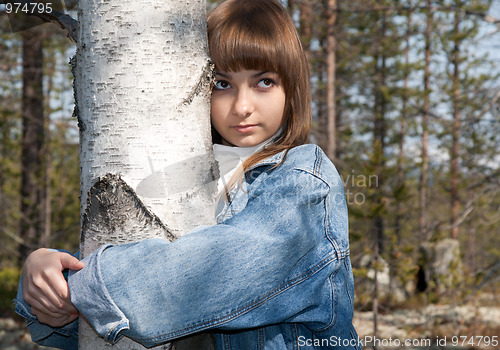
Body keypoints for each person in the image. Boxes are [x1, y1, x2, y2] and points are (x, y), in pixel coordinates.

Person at [15, 0, 360, 349]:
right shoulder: (192, 175)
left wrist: (78, 284)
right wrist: (48, 278)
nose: (242, 106)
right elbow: (101, 322)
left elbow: (198, 278)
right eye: (222, 84)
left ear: (292, 87)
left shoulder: (303, 182)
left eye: (264, 82)